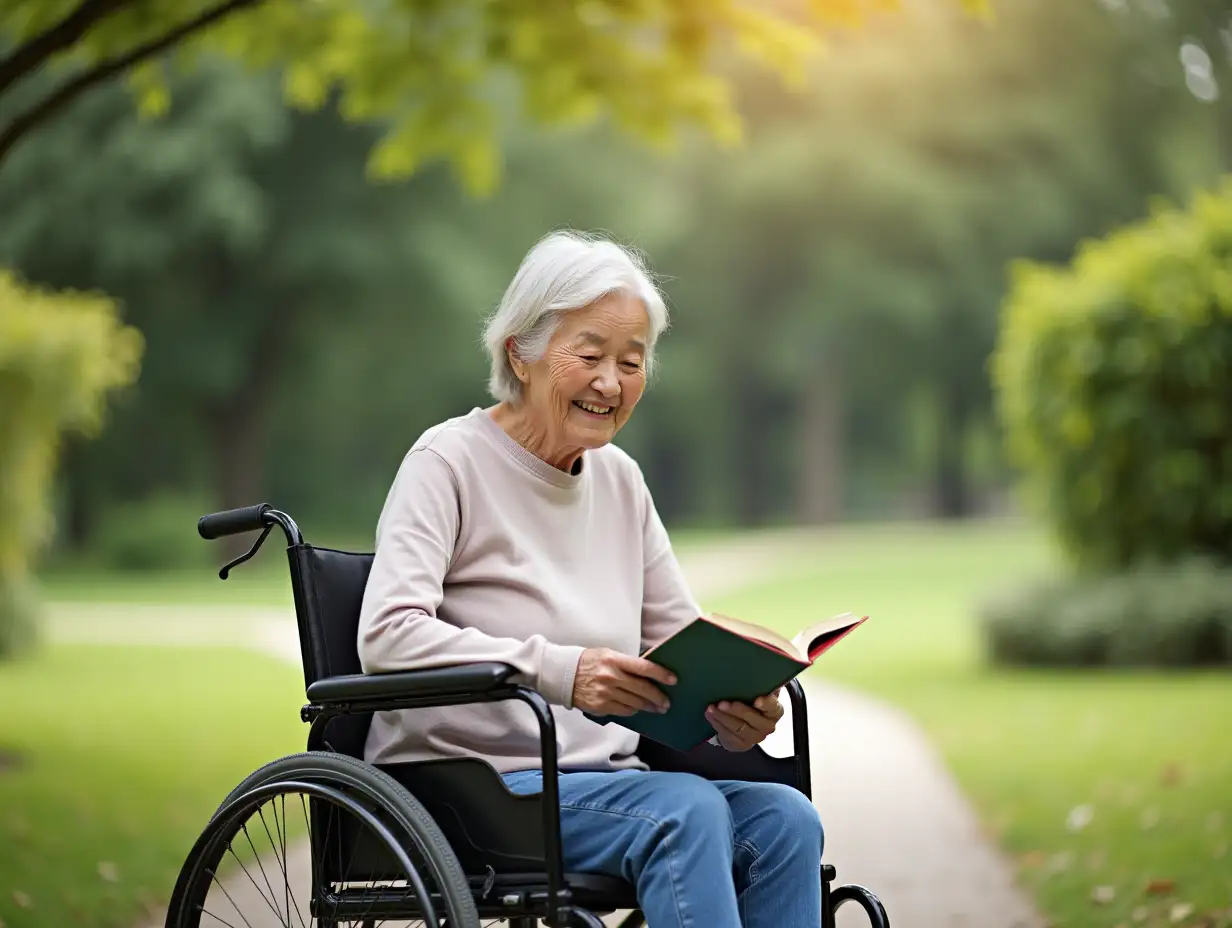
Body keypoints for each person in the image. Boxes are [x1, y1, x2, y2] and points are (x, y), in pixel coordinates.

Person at [356, 230, 823, 928]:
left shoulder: (621, 481)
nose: (612, 382)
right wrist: (558, 671)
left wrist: (734, 716)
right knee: (685, 813)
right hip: (473, 786)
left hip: (603, 787)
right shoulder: (447, 461)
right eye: (592, 354)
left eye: (632, 361)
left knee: (785, 818)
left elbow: (677, 646)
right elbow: (386, 638)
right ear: (521, 351)